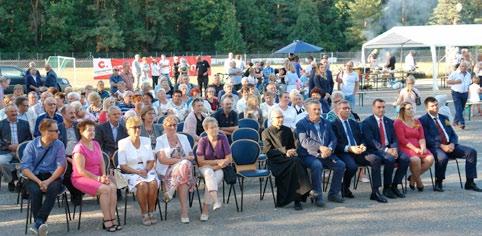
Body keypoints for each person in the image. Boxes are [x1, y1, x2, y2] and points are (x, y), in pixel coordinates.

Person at [419, 97, 481, 192]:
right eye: (432, 106)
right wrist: (442, 146)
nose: (435, 107)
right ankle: (438, 182)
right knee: (442, 157)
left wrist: (452, 143)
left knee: (471, 152)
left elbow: (452, 133)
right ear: (427, 108)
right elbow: (427, 138)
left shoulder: (444, 118)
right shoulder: (422, 121)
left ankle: (470, 182)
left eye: (436, 105)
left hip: (450, 145)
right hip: (435, 147)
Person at [331, 100, 387, 202]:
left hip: (359, 151)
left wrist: (362, 145)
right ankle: (345, 187)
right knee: (352, 166)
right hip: (344, 152)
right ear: (338, 110)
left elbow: (362, 138)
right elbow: (335, 144)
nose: (348, 110)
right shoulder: (333, 125)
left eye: (349, 108)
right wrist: (349, 148)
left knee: (375, 159)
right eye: (345, 108)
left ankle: (375, 191)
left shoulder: (354, 123)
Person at [71, 120, 121, 231]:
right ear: (81, 131)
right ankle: (107, 220)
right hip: (81, 178)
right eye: (89, 130)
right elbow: (80, 171)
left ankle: (112, 218)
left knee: (112, 187)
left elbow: (101, 162)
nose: (92, 132)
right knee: (105, 189)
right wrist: (99, 178)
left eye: (93, 130)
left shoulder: (96, 144)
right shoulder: (79, 148)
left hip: (98, 176)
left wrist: (104, 175)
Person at [295, 99, 345, 207]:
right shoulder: (301, 124)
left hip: (326, 154)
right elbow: (304, 142)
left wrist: (330, 149)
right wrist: (320, 148)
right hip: (309, 155)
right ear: (308, 110)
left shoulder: (326, 122)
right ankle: (318, 196)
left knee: (340, 165)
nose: (318, 111)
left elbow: (333, 139)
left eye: (319, 109)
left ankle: (333, 193)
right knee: (317, 165)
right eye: (314, 109)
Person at [20, 119, 66, 235]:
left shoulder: (59, 145)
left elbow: (61, 167)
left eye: (58, 130)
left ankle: (38, 223)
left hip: (52, 175)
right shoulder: (32, 145)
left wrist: (48, 181)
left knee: (53, 188)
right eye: (55, 130)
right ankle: (40, 224)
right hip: (34, 176)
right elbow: (25, 168)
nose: (58, 132)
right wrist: (40, 182)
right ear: (44, 131)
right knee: (35, 191)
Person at [262, 109, 312, 210]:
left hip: (289, 159)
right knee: (296, 163)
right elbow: (268, 152)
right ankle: (305, 192)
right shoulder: (266, 132)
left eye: (282, 117)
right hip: (276, 161)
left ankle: (297, 198)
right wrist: (285, 151)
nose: (281, 119)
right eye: (278, 117)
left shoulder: (287, 130)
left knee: (296, 162)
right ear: (271, 119)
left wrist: (292, 151)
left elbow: (292, 146)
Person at [361, 99, 409, 198]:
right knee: (390, 159)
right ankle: (386, 188)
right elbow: (371, 141)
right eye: (379, 107)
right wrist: (387, 150)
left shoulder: (389, 121)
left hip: (390, 148)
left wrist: (394, 148)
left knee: (405, 158)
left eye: (383, 107)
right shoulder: (367, 122)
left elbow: (394, 137)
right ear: (373, 108)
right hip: (376, 150)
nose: (381, 109)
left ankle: (394, 185)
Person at [118, 116, 160, 226]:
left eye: (139, 127)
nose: (137, 130)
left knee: (153, 183)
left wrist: (146, 169)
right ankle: (144, 213)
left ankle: (151, 211)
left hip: (146, 169)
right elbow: (122, 165)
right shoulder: (122, 143)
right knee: (142, 185)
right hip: (130, 171)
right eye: (134, 127)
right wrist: (137, 172)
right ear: (128, 130)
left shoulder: (146, 140)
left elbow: (151, 160)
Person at [155, 115, 196, 223]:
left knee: (185, 166)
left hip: (183, 170)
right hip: (167, 170)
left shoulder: (183, 137)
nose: (173, 127)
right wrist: (181, 160)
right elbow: (162, 160)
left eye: (175, 125)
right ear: (164, 126)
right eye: (170, 125)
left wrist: (182, 160)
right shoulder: (160, 140)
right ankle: (184, 212)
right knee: (184, 169)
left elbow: (191, 156)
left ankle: (171, 191)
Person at [196, 117, 231, 220]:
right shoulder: (203, 141)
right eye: (212, 127)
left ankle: (205, 211)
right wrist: (217, 162)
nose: (215, 129)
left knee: (210, 181)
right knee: (208, 172)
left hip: (220, 168)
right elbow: (200, 161)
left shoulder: (222, 138)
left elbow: (229, 158)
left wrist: (221, 164)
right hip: (205, 168)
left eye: (216, 127)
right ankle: (215, 200)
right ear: (206, 130)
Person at [394, 102, 434, 191]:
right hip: (405, 147)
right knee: (415, 160)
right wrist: (415, 149)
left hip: (418, 146)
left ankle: (412, 178)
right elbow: (402, 140)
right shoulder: (398, 122)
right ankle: (419, 182)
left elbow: (421, 137)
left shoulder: (416, 121)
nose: (411, 110)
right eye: (409, 109)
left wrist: (423, 147)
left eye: (412, 108)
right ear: (403, 111)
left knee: (430, 159)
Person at [0, 104, 32, 192]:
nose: (14, 113)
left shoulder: (24, 123)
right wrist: (8, 146)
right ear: (6, 113)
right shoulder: (1, 124)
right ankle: (10, 180)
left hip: (21, 150)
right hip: (6, 150)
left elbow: (29, 138)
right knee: (1, 161)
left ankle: (22, 182)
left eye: (15, 111)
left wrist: (20, 146)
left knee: (29, 161)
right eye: (11, 111)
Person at [447, 62, 471, 129]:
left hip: (465, 93)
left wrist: (468, 92)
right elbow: (448, 81)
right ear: (459, 67)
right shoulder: (455, 73)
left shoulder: (468, 74)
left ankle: (455, 121)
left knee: (461, 109)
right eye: (462, 66)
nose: (463, 67)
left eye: (465, 66)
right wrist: (455, 82)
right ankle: (462, 123)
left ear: (467, 67)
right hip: (456, 93)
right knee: (459, 108)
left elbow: (468, 84)